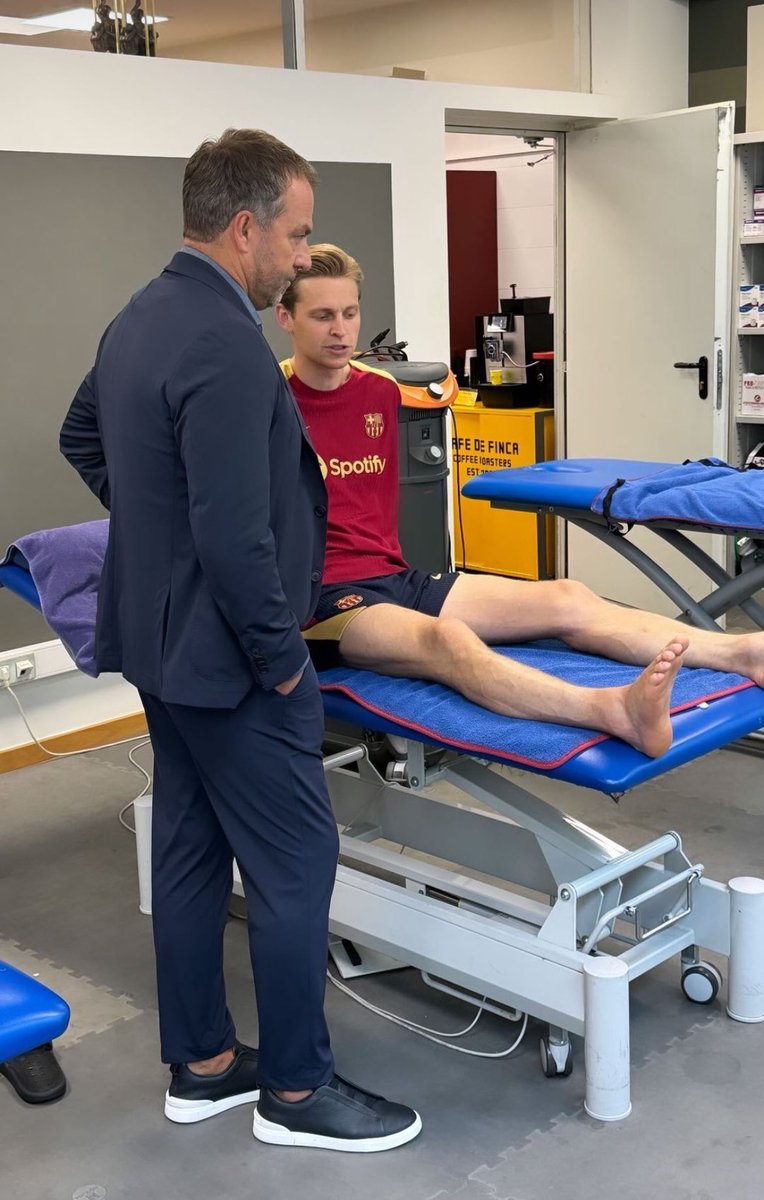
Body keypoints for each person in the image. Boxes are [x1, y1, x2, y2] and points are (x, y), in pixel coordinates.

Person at [59, 132, 420, 1153]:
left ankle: (204, 1067)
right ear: (246, 225)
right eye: (298, 237)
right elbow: (232, 532)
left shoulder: (143, 315)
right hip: (231, 661)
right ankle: (299, 1094)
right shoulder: (219, 339)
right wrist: (279, 658)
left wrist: (158, 541)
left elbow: (82, 438)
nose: (303, 260)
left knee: (185, 848)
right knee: (295, 859)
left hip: (159, 649)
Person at [276, 244, 764, 759]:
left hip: (396, 576)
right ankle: (612, 710)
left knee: (568, 597)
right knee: (450, 641)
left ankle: (742, 651)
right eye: (322, 316)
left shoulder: (380, 391)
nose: (340, 330)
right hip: (324, 599)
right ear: (286, 317)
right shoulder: (269, 397)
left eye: (350, 313)